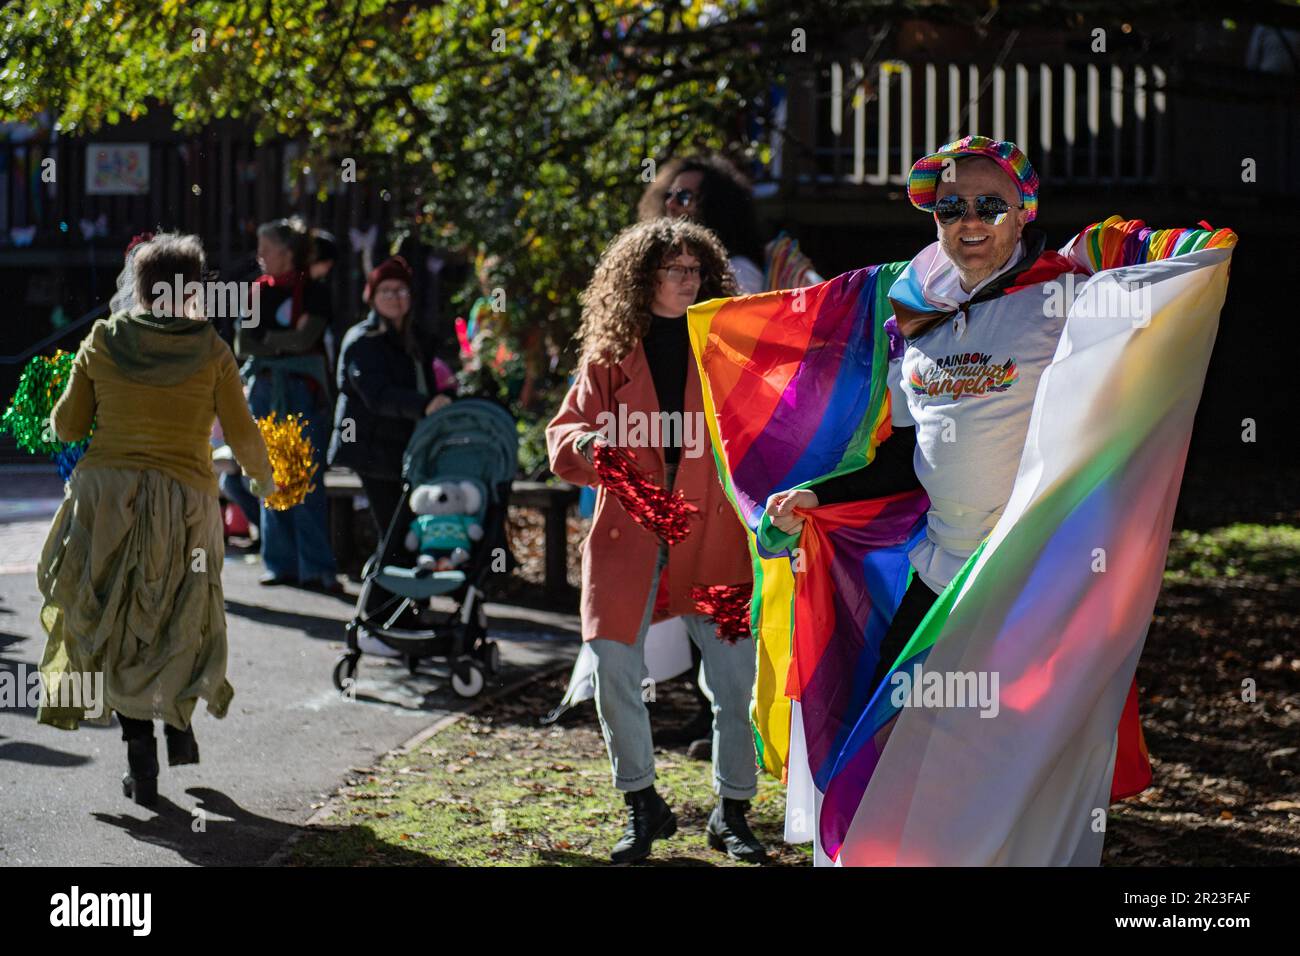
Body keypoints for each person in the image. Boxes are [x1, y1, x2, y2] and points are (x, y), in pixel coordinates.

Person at [546, 217, 765, 864]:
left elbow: (769, 420)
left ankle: (732, 810)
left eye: (695, 270)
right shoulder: (610, 356)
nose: (687, 280)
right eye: (674, 270)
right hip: (628, 525)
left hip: (715, 526)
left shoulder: (727, 346)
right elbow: (564, 432)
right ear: (642, 280)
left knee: (734, 678)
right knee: (614, 667)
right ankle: (642, 803)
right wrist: (588, 444)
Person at [36, 232, 277, 807]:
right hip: (185, 506)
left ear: (139, 288)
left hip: (106, 501)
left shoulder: (101, 339)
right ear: (194, 290)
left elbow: (68, 427)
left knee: (114, 624)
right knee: (179, 614)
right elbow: (242, 434)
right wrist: (268, 482)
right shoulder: (213, 350)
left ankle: (140, 757)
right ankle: (176, 718)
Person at [235, 218, 340, 594]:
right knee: (269, 474)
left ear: (288, 252)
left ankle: (316, 566)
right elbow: (245, 345)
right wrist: (284, 342)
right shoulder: (255, 292)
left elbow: (305, 339)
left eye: (267, 248)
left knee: (306, 478)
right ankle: (278, 563)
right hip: (266, 391)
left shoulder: (314, 290)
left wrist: (271, 342)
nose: (260, 255)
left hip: (300, 391)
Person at [328, 255, 458, 544]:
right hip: (370, 447)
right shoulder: (362, 340)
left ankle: (400, 584)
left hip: (407, 446)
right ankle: (385, 585)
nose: (395, 298)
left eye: (401, 290)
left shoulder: (417, 339)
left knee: (407, 531)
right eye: (385, 290)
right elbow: (376, 396)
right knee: (395, 533)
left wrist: (445, 397)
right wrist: (423, 405)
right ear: (371, 297)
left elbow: (427, 384)